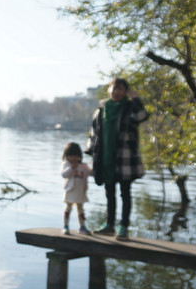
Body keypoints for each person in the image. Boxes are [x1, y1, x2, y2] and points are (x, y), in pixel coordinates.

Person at [85, 78, 148, 241]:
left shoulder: (129, 108)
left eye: (120, 89)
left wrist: (135, 99)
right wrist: (93, 157)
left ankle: (123, 227)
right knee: (109, 193)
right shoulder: (101, 110)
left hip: (125, 158)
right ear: (109, 90)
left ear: (125, 92)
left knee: (125, 193)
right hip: (106, 158)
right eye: (114, 88)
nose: (116, 92)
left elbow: (141, 117)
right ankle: (109, 225)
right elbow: (93, 134)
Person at [61, 142, 92, 235]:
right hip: (70, 190)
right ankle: (65, 226)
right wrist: (71, 168)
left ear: (79, 156)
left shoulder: (83, 166)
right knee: (67, 208)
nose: (73, 158)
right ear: (66, 156)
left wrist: (95, 165)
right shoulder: (66, 165)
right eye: (71, 156)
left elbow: (91, 173)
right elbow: (64, 174)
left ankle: (82, 227)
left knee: (81, 209)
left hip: (80, 191)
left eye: (76, 156)